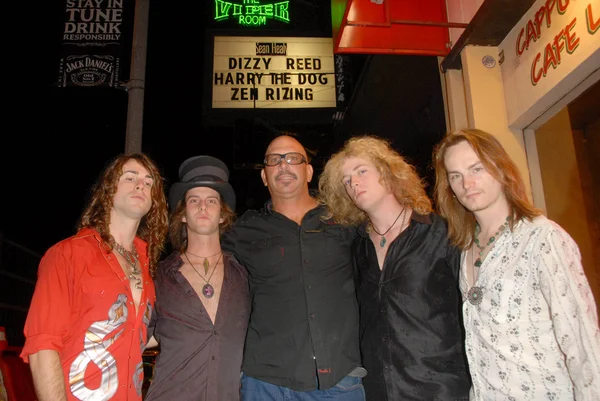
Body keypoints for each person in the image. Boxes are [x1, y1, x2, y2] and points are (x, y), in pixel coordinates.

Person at [433, 128, 600, 400]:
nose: (467, 183)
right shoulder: (465, 249)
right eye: (456, 176)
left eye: (476, 169)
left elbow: (583, 344)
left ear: (501, 168)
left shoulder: (543, 238)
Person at [318, 135, 471, 401]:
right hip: (379, 390)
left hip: (441, 389)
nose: (353, 183)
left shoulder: (439, 233)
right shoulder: (358, 249)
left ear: (388, 174)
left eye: (361, 171)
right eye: (346, 180)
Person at [222, 134, 366, 401]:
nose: (283, 166)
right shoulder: (243, 229)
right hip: (265, 384)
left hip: (339, 382)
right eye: (273, 161)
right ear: (264, 176)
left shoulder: (345, 219)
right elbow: (200, 258)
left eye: (293, 159)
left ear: (308, 171)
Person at [20, 153, 169, 401]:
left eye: (148, 181)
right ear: (109, 190)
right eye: (130, 177)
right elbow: (42, 347)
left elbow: (143, 336)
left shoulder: (146, 267)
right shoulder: (68, 254)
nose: (141, 184)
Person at [144, 155, 250, 401]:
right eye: (194, 200)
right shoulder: (158, 277)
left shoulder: (245, 275)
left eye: (212, 200)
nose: (203, 206)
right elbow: (134, 337)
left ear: (223, 215)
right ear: (182, 214)